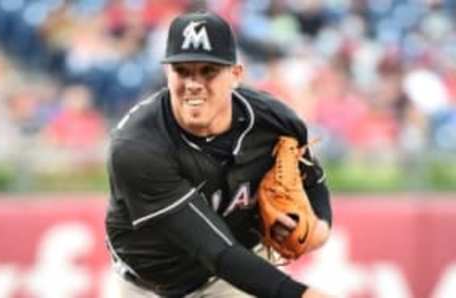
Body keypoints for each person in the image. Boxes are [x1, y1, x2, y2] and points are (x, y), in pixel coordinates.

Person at [105, 10, 334, 298]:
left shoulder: (272, 120)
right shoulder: (137, 146)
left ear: (236, 75)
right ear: (167, 73)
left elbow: (313, 180)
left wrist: (319, 229)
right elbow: (215, 251)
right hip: (149, 287)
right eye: (182, 71)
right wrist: (300, 295)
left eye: (208, 71)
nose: (193, 83)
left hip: (233, 280)